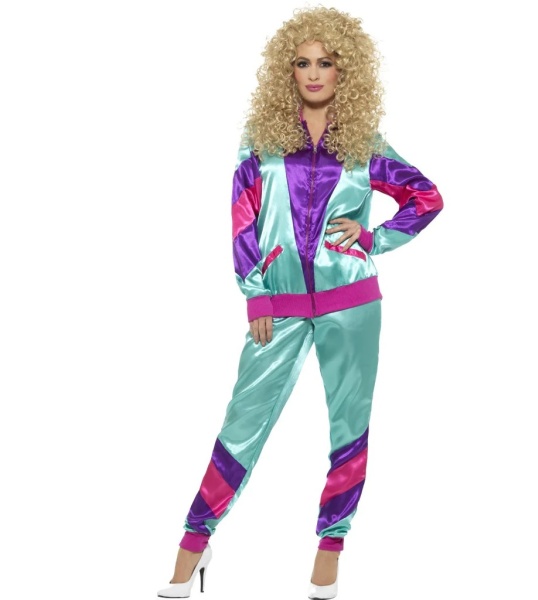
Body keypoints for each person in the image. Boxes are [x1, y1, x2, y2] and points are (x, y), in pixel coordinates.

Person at [157, 6, 443, 599]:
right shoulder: (261, 143)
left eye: (326, 62)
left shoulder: (365, 144)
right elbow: (242, 220)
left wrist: (372, 239)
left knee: (349, 426)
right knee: (242, 422)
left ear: (345, 70)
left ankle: (330, 549)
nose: (314, 73)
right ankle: (195, 538)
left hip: (353, 303)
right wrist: (256, 294)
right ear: (286, 70)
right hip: (279, 305)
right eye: (302, 63)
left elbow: (426, 197)